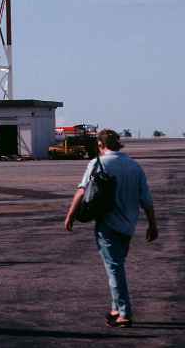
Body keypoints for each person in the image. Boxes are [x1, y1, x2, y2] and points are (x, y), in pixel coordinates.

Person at [64, 129, 157, 328]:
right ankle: (116, 309)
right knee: (117, 265)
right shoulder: (134, 166)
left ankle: (124, 313)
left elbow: (82, 191)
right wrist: (152, 224)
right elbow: (146, 199)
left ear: (100, 144)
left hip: (107, 224)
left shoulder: (98, 163)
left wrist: (71, 215)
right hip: (128, 225)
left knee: (114, 269)